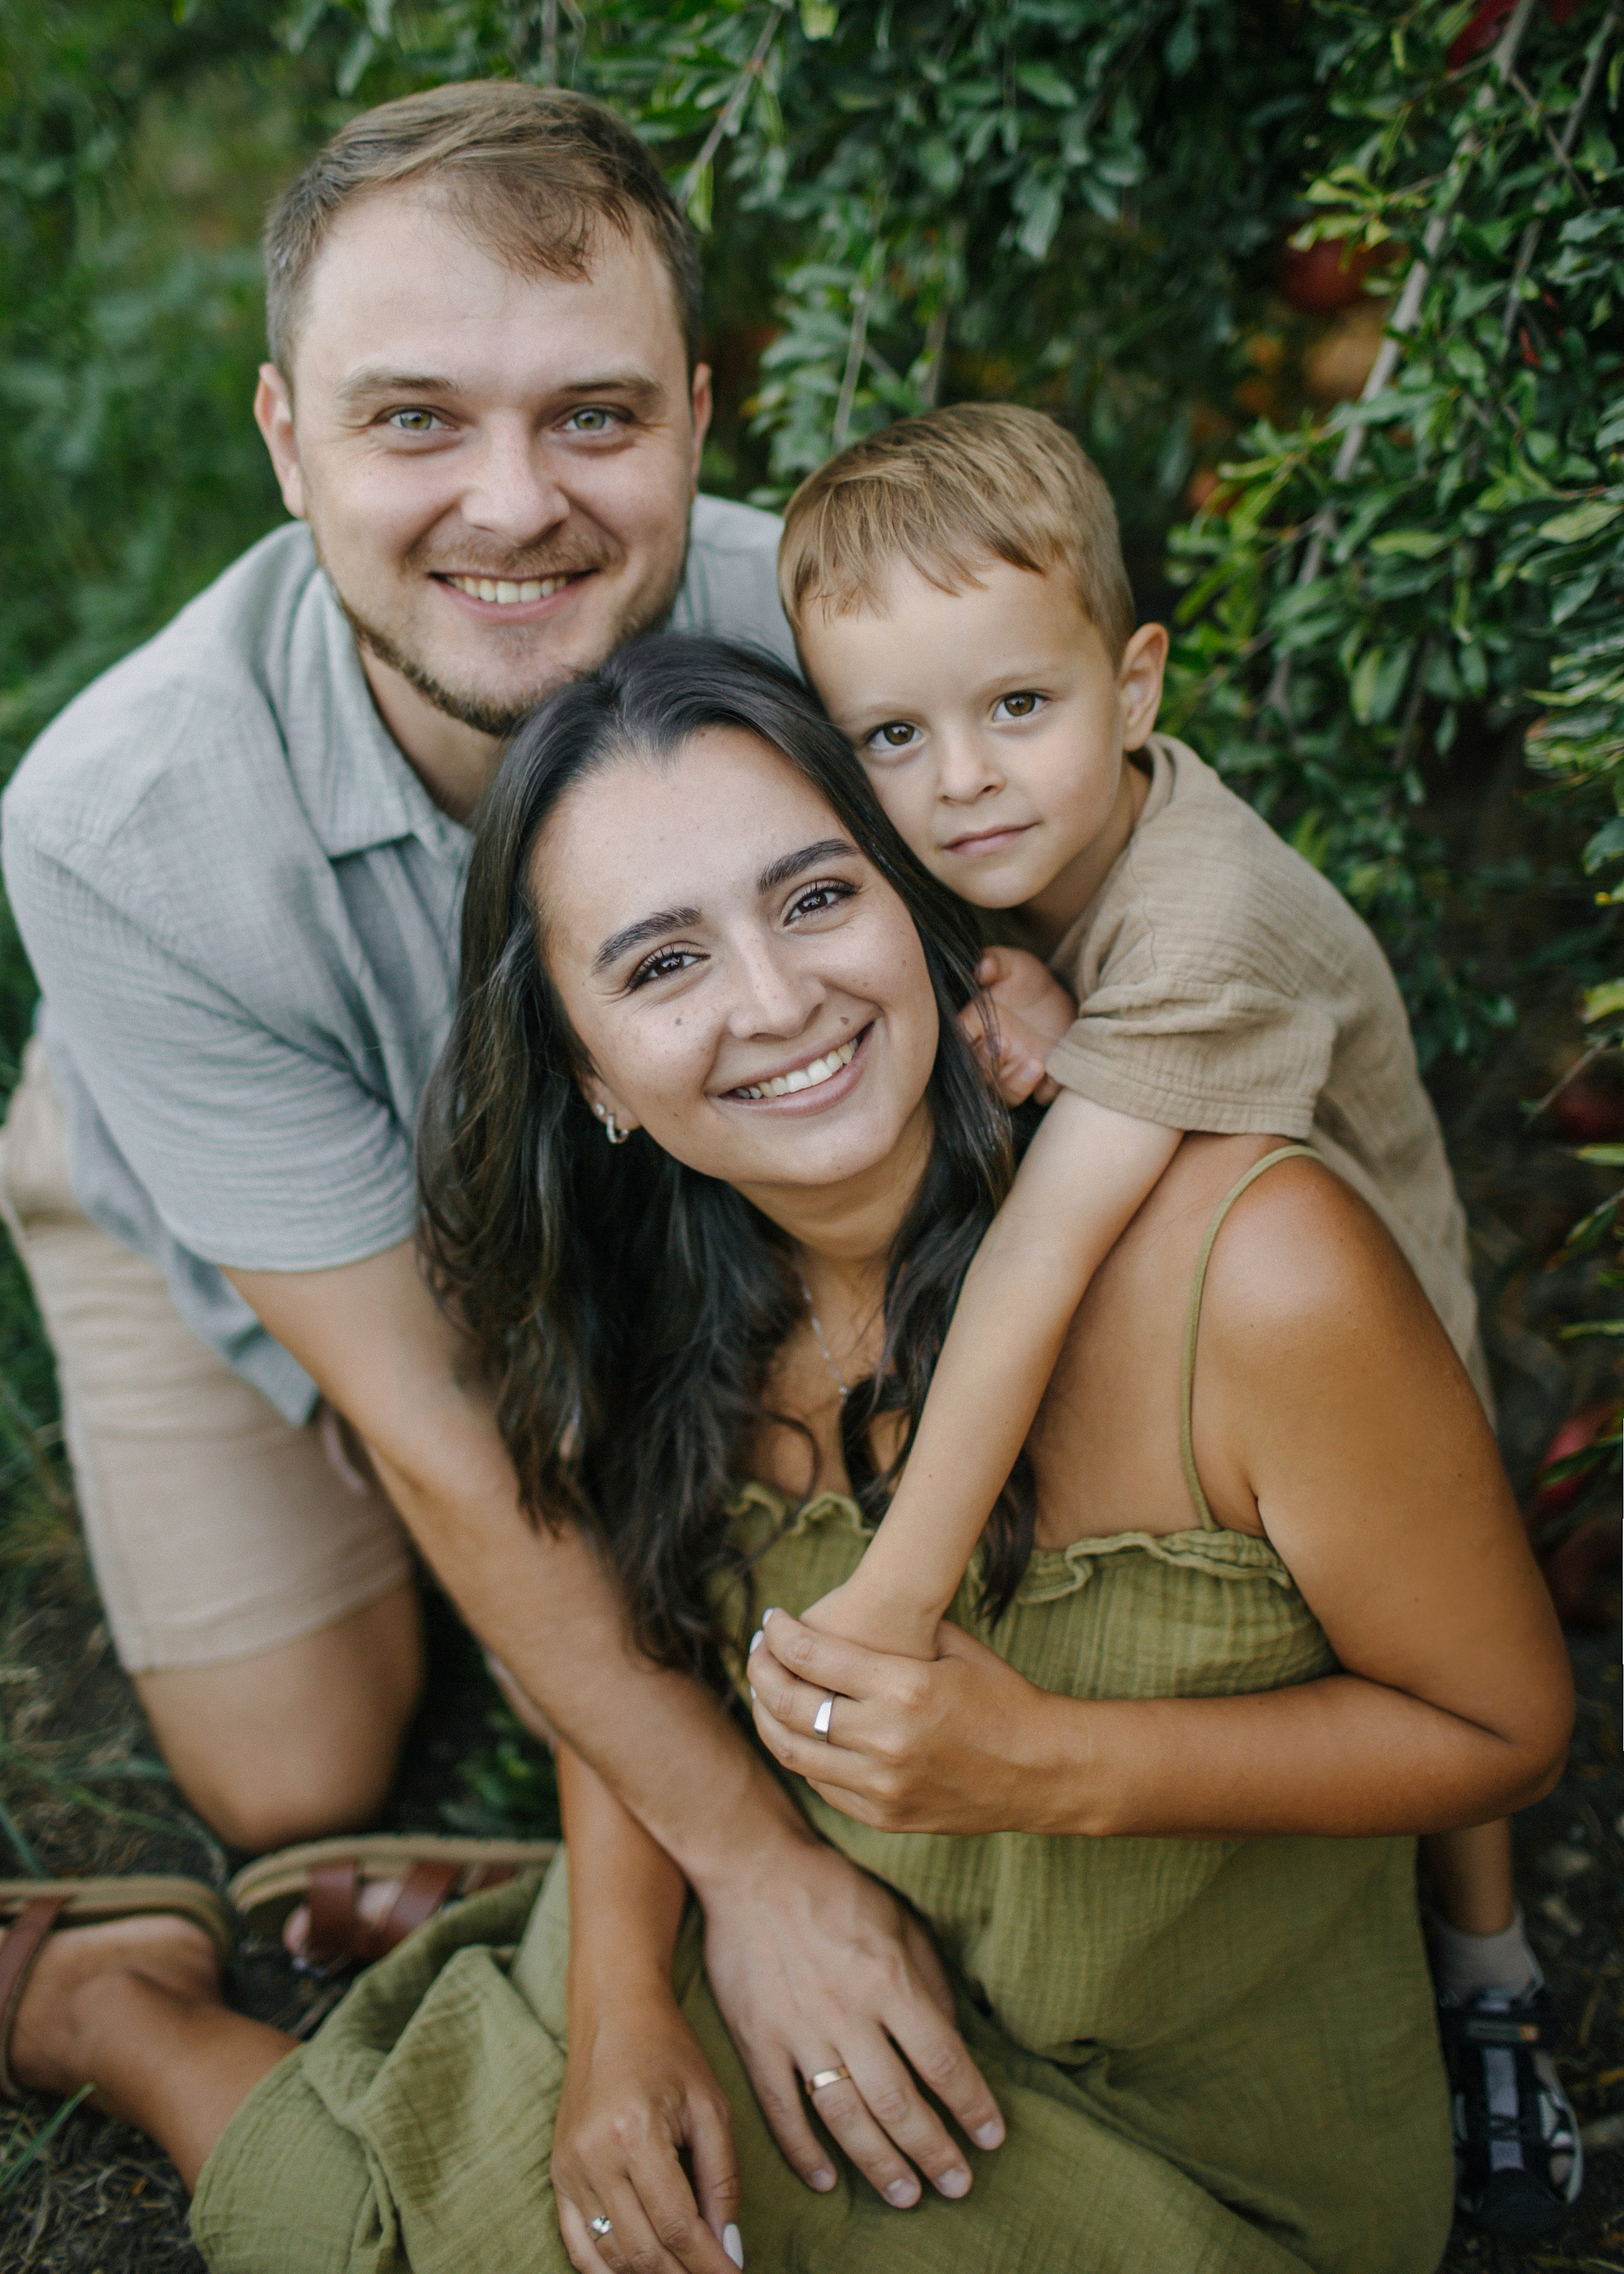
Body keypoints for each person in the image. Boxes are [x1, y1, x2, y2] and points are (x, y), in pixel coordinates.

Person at [0, 639, 1572, 2273]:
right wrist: (620, 2002)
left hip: (1213, 2155)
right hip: (780, 1968)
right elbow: (642, 1658)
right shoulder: (648, 1298)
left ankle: (280, 1987)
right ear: (591, 1074)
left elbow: (1506, 1731)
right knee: (388, 2227)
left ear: (919, 910)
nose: (774, 1001)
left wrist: (1050, 1765)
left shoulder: (1254, 1273)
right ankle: (122, 2010)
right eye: (663, 966)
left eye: (816, 899)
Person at [0, 84, 1008, 2192]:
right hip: (239, 1197)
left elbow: (1159, 860)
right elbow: (449, 1424)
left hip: (666, 1178)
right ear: (286, 439)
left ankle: (573, 1793)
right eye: (414, 422)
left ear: (701, 416)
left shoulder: (843, 635)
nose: (514, 505)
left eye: (594, 416)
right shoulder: (116, 827)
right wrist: (751, 1868)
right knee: (291, 1776)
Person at [774, 404, 1583, 2233]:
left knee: (1425, 1657)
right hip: (1186, 1292)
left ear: (1135, 687)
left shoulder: (1207, 915)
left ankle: (1491, 1977)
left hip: (1352, 1320)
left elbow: (1039, 1259)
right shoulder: (977, 853)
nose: (961, 781)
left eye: (1018, 707)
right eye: (892, 736)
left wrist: (893, 1594)